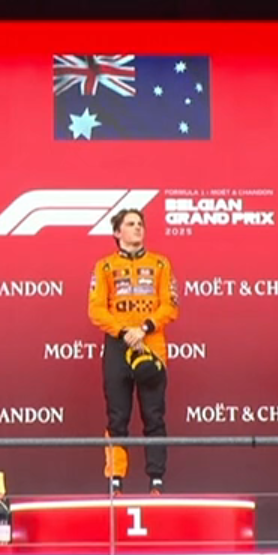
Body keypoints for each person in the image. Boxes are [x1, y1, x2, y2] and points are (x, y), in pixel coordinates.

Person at [88, 208, 178, 495]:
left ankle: (157, 481)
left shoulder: (161, 264)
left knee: (154, 415)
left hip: (151, 343)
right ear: (117, 232)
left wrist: (145, 327)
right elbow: (96, 309)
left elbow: (170, 305)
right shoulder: (104, 267)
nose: (138, 228)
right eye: (130, 224)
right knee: (117, 416)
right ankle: (116, 480)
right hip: (118, 344)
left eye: (140, 224)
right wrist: (124, 332)